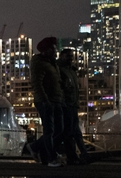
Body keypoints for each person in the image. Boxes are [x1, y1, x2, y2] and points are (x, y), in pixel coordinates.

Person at [30, 37, 64, 166]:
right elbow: (37, 84)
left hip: (56, 100)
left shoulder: (52, 62)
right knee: (49, 131)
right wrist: (45, 100)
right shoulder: (38, 63)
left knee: (59, 129)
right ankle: (50, 158)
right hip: (46, 101)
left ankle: (35, 147)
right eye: (53, 48)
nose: (56, 51)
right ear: (47, 50)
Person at [57, 48, 88, 164]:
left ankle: (79, 154)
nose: (70, 59)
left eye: (71, 56)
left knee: (73, 131)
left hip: (73, 104)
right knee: (71, 132)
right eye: (68, 56)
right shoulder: (60, 70)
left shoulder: (71, 70)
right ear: (61, 56)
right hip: (67, 105)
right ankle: (75, 156)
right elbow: (62, 88)